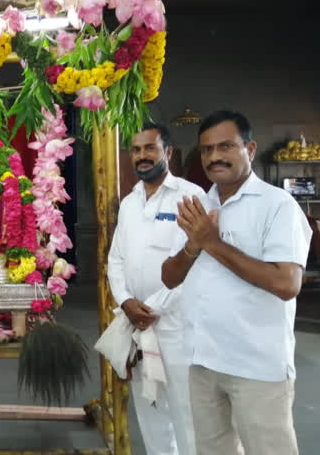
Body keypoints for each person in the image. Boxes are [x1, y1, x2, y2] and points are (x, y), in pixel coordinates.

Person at [162, 111, 312, 455]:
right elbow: (169, 277)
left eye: (226, 146)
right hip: (203, 361)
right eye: (206, 149)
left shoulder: (277, 206)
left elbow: (287, 284)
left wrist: (212, 242)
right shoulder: (199, 205)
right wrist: (193, 245)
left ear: (250, 149)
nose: (214, 156)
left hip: (256, 366)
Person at [108, 122, 202, 455]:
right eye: (136, 150)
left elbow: (196, 263)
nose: (142, 156)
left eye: (150, 148)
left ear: (169, 152)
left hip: (177, 328)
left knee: (186, 415)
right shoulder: (130, 201)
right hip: (137, 326)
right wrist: (126, 301)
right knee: (151, 411)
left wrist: (151, 308)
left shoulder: (190, 197)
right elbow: (116, 259)